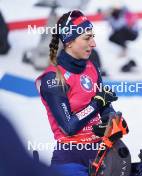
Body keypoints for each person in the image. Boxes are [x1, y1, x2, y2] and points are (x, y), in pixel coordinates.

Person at [35, 10, 118, 176]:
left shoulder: (92, 66)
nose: (93, 43)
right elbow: (68, 127)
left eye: (93, 37)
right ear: (69, 42)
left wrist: (113, 122)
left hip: (100, 153)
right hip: (70, 158)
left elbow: (105, 106)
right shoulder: (53, 78)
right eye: (87, 38)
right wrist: (96, 104)